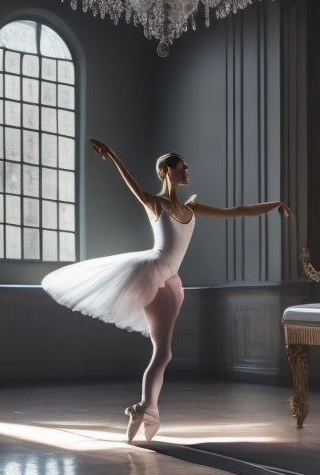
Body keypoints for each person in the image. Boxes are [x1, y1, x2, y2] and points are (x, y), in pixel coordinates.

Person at [42, 138, 292, 443]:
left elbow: (237, 210)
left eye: (187, 166)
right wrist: (112, 153)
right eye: (182, 166)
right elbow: (131, 183)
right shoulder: (154, 203)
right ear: (167, 171)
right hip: (154, 273)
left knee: (164, 351)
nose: (187, 170)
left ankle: (148, 410)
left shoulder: (192, 207)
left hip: (172, 279)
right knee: (162, 351)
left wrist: (275, 204)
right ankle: (145, 408)